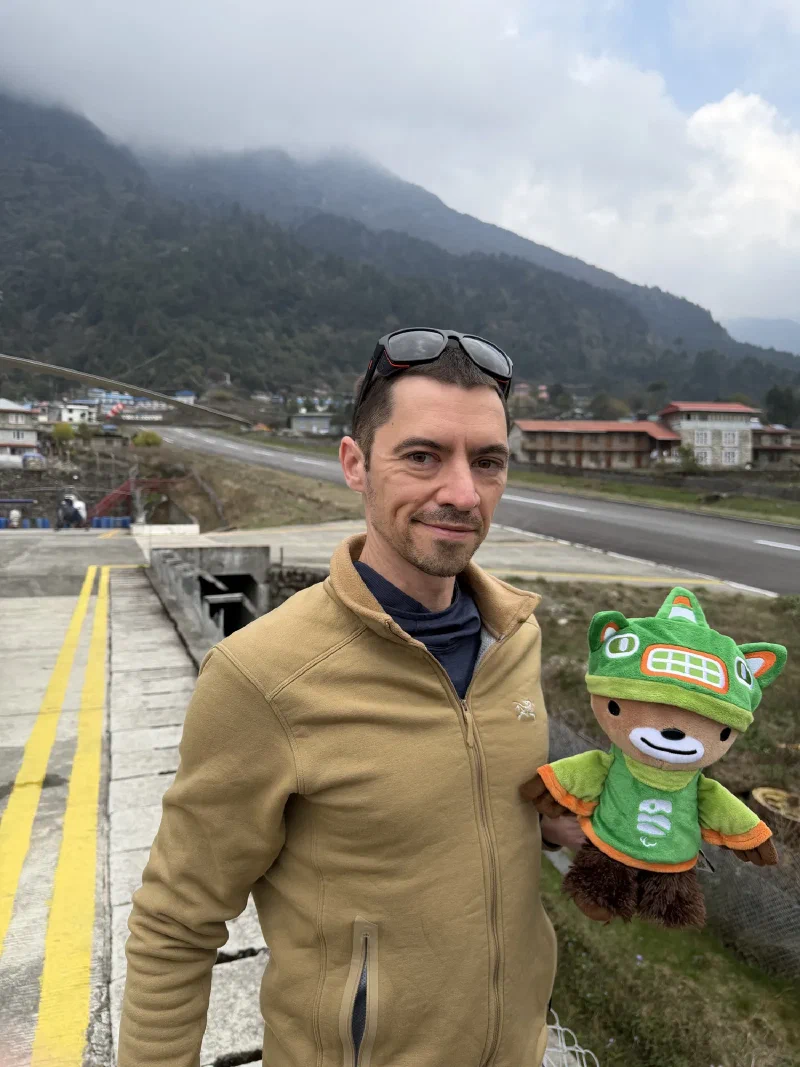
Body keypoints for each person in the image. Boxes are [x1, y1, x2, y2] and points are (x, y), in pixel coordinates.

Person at [118, 329, 585, 1067]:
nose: (462, 492)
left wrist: (578, 830)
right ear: (355, 465)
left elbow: (474, 807)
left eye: (487, 461)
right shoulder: (261, 675)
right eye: (423, 455)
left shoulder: (514, 639)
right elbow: (176, 923)